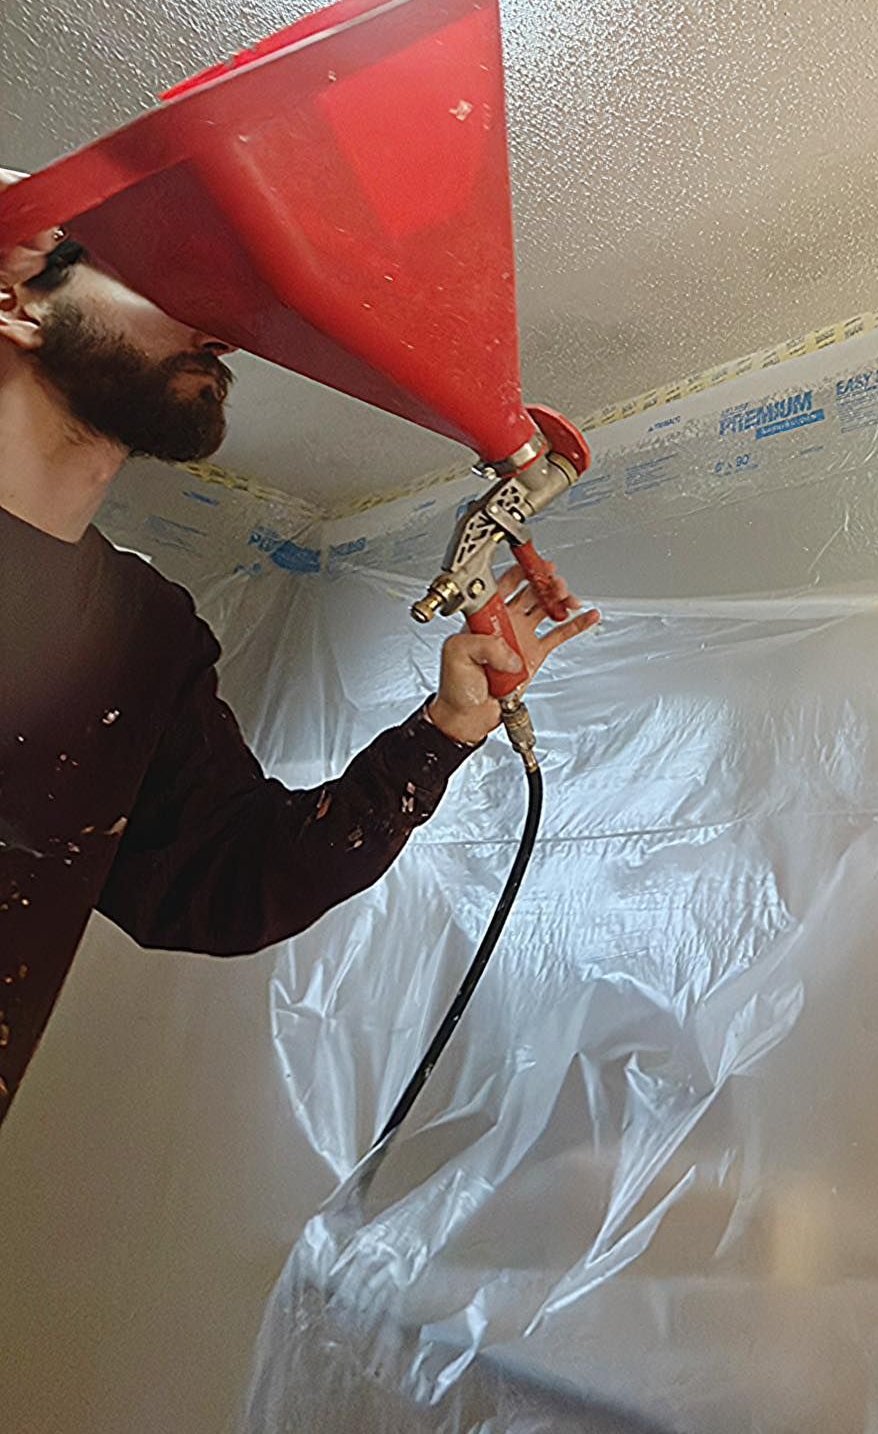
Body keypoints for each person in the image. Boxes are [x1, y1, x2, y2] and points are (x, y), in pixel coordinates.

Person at [0, 172, 598, 1128]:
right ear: (19, 301)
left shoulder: (142, 631)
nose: (226, 333)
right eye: (166, 279)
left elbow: (227, 881)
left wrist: (444, 730)